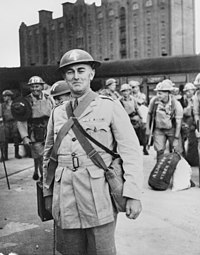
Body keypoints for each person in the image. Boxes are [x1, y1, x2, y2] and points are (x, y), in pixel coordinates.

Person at [43, 49, 143, 255]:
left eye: (81, 70)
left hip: (99, 194)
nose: (76, 76)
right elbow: (48, 157)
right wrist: (47, 192)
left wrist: (133, 194)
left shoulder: (110, 107)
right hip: (65, 195)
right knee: (69, 251)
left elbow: (131, 153)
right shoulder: (58, 112)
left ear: (92, 74)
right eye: (70, 72)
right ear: (64, 77)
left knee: (101, 251)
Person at [17, 76, 53, 181]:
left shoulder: (49, 97)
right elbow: (21, 120)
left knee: (51, 155)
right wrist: (25, 137)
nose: (35, 89)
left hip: (49, 129)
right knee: (41, 157)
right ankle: (44, 178)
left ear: (42, 86)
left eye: (37, 86)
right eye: (32, 87)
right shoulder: (25, 101)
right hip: (35, 133)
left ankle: (49, 177)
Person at [146, 79, 183, 161]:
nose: (157, 95)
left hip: (172, 129)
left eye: (160, 93)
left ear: (167, 93)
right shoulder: (154, 101)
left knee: (176, 151)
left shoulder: (176, 104)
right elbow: (149, 114)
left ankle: (175, 170)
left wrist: (176, 138)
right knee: (159, 151)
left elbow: (178, 123)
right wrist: (148, 129)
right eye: (157, 93)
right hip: (158, 129)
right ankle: (159, 170)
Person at [120, 83, 148, 155]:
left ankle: (144, 148)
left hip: (135, 117)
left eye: (127, 91)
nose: (125, 93)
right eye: (123, 91)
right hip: (126, 119)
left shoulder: (133, 99)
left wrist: (141, 117)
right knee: (129, 136)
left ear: (130, 91)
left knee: (142, 132)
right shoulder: (120, 100)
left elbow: (137, 108)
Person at [0, 90, 22, 161]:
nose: (4, 98)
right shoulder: (2, 105)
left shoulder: (15, 104)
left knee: (16, 138)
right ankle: (4, 156)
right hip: (6, 123)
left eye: (5, 96)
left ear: (9, 97)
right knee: (4, 139)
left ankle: (17, 154)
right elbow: (1, 114)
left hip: (14, 122)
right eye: (3, 96)